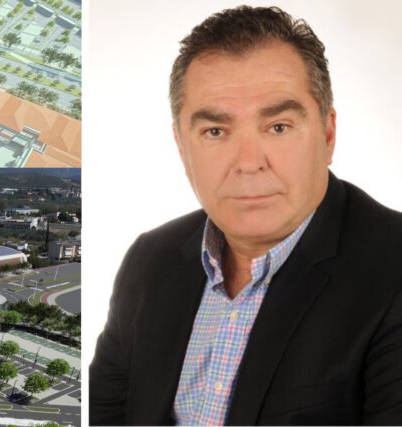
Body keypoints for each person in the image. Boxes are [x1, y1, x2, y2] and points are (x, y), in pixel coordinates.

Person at [89, 5, 402, 425]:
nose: (249, 162)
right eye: (215, 131)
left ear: (327, 135)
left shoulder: (394, 269)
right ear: (182, 147)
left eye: (278, 127)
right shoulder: (149, 259)